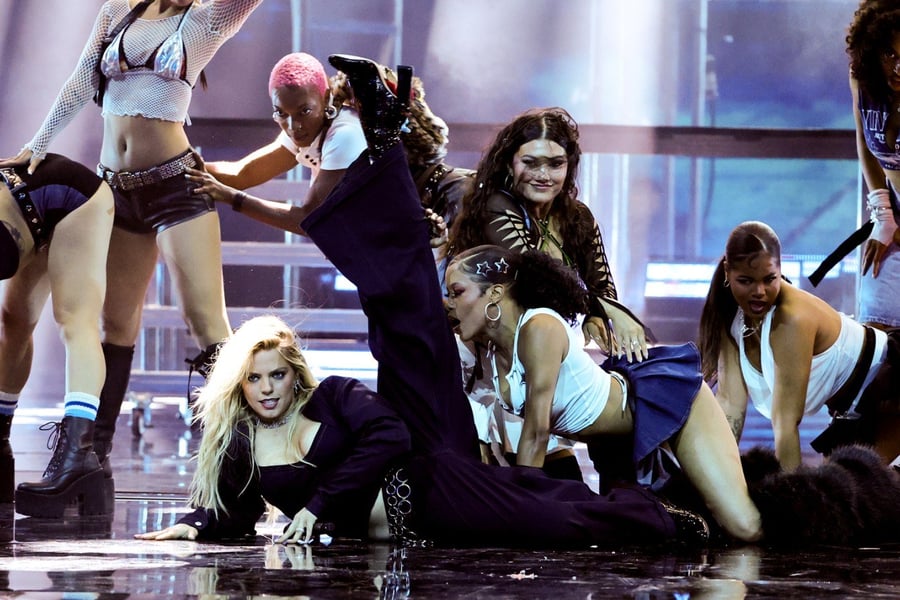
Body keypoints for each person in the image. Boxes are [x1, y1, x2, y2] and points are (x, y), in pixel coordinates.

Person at [136, 53, 709, 548]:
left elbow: (313, 218)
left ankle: (663, 520)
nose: (266, 388)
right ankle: (649, 513)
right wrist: (195, 523)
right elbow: (231, 511)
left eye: (275, 375)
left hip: (434, 460)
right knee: (394, 314)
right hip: (439, 461)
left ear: (296, 373)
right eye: (255, 379)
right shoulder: (245, 441)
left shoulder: (330, 399)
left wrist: (318, 506)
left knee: (404, 307)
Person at [0, 0, 264, 495]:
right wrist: (37, 144)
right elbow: (80, 80)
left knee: (207, 325)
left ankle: (244, 465)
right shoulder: (117, 10)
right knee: (115, 326)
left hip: (176, 187)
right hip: (114, 190)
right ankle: (91, 464)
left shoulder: (207, 18)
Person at [444, 244, 763, 542]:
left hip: (665, 404)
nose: (449, 303)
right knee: (644, 541)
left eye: (457, 292)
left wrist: (521, 502)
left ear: (495, 293)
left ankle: (783, 504)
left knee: (744, 527)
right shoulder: (490, 349)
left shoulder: (539, 327)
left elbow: (537, 430)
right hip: (614, 447)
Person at [447, 107, 649, 363]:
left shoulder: (578, 217)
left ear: (569, 166)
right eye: (530, 163)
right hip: (483, 357)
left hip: (542, 351)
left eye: (555, 164)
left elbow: (601, 284)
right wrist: (610, 309)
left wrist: (596, 314)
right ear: (509, 165)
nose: (543, 176)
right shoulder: (495, 206)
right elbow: (539, 281)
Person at [697, 221, 900, 469]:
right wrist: (715, 476)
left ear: (780, 269)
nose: (759, 291)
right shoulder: (729, 317)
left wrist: (792, 493)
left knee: (864, 488)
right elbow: (730, 405)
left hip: (891, 386)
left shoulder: (790, 318)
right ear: (727, 271)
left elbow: (785, 425)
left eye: (769, 279)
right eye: (746, 281)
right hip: (851, 410)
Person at [0, 154, 114, 514]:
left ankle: (78, 456)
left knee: (75, 320)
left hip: (76, 198)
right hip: (28, 207)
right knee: (14, 321)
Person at [202, 51, 366, 231]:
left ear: (326, 98)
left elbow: (310, 219)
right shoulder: (306, 126)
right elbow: (242, 174)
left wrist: (232, 198)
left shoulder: (345, 136)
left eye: (304, 111)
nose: (293, 126)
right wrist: (185, 165)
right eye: (281, 113)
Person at [813, 1, 900, 326]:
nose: (898, 67)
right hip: (893, 215)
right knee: (877, 332)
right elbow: (863, 139)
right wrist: (884, 215)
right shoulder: (862, 80)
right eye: (889, 54)